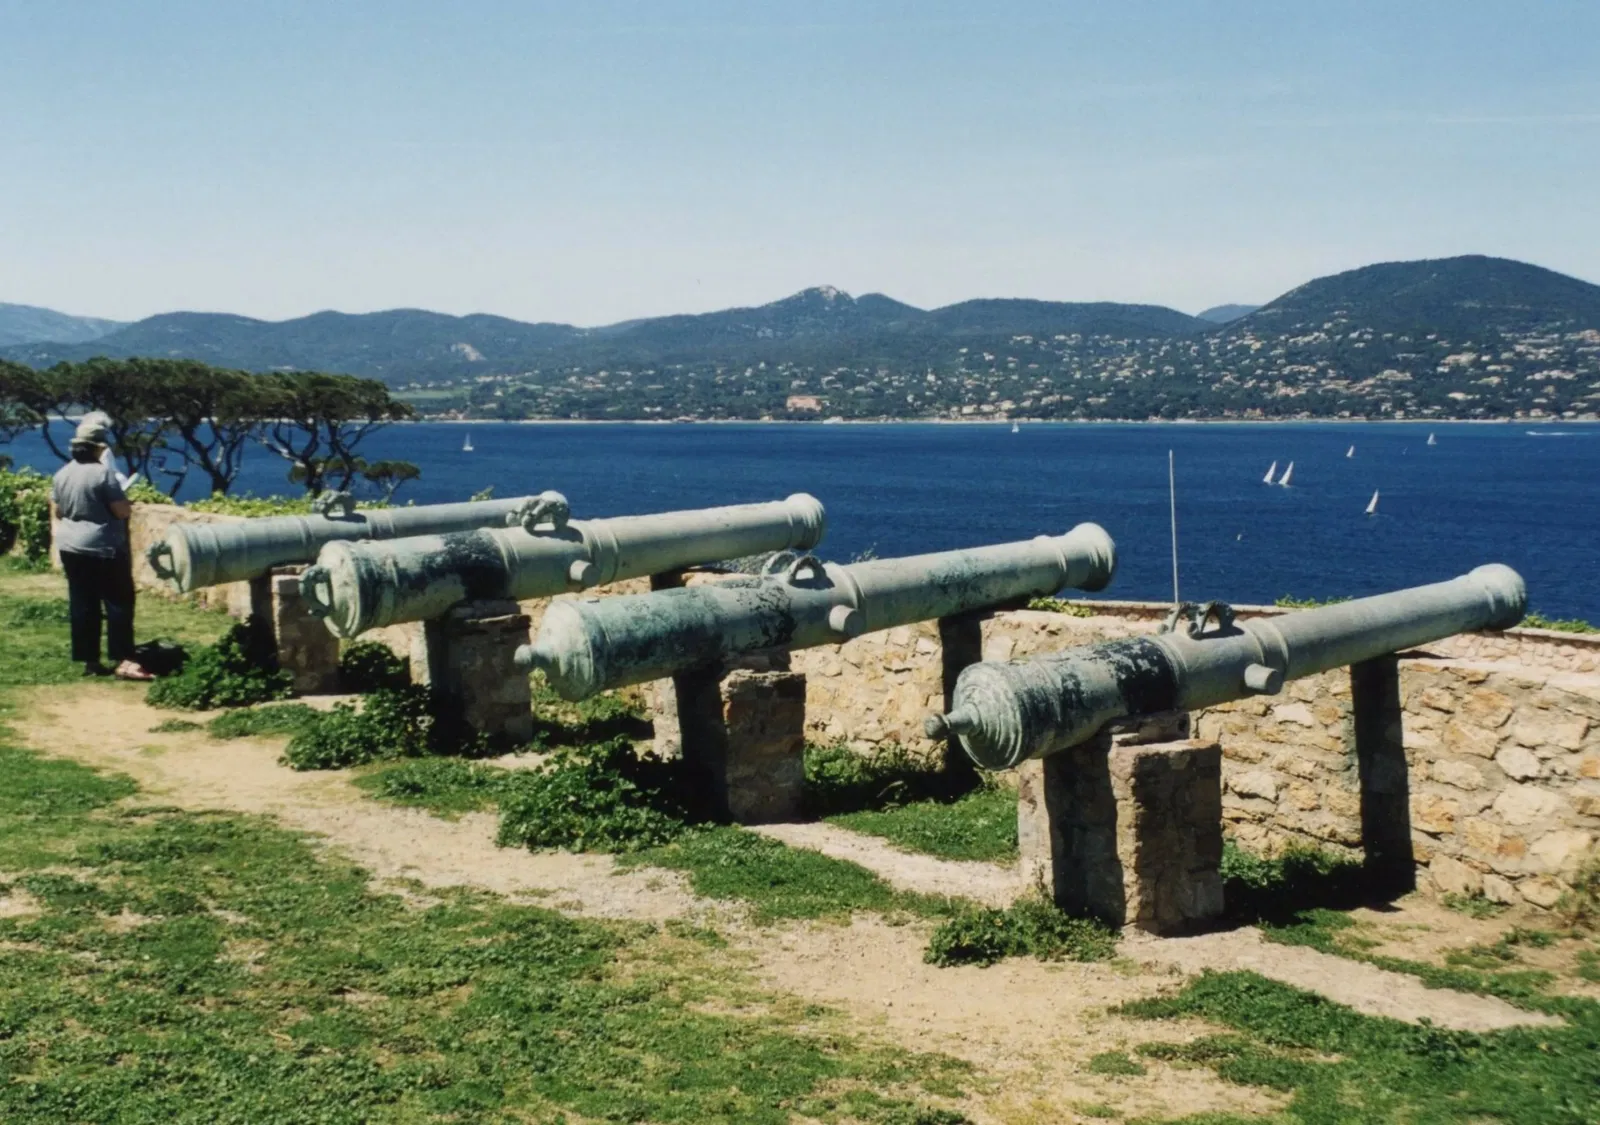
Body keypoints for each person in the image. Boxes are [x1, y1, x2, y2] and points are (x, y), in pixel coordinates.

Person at [50, 418, 153, 680]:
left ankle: (90, 661)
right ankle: (123, 659)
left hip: (70, 546)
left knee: (83, 602)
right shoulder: (103, 474)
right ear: (98, 448)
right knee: (118, 602)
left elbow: (59, 511)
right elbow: (120, 511)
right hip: (103, 546)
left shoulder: (62, 474)